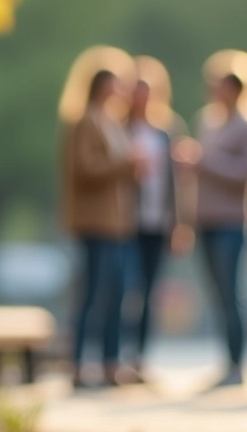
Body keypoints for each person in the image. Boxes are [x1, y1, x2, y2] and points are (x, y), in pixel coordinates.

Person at [175, 72, 247, 388]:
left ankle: (238, 363)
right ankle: (227, 361)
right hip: (207, 220)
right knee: (217, 294)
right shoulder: (207, 123)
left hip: (233, 221)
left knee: (232, 292)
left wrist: (205, 160)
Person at [62, 67, 142, 388]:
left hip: (117, 224)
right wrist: (126, 164)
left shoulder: (113, 123)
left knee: (117, 293)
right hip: (95, 223)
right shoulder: (86, 122)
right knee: (93, 294)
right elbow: (86, 168)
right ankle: (78, 364)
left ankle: (111, 363)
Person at [126, 70, 180, 382]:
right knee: (126, 290)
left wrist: (178, 222)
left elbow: (175, 183)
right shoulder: (121, 130)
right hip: (127, 223)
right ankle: (118, 354)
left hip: (157, 222)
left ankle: (140, 358)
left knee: (148, 291)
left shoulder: (166, 132)